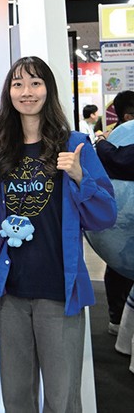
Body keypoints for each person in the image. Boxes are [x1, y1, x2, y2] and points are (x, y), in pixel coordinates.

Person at [0, 56, 117, 413]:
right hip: (10, 292)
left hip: (59, 290)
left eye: (35, 83)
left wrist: (80, 176)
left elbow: (105, 215)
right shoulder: (0, 152)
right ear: (9, 93)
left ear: (49, 89)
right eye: (18, 84)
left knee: (62, 400)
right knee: (16, 397)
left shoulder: (74, 145)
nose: (26, 92)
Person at [95, 89, 134, 335]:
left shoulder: (112, 140)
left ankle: (119, 320)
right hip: (121, 230)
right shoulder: (118, 139)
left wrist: (101, 142)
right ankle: (119, 320)